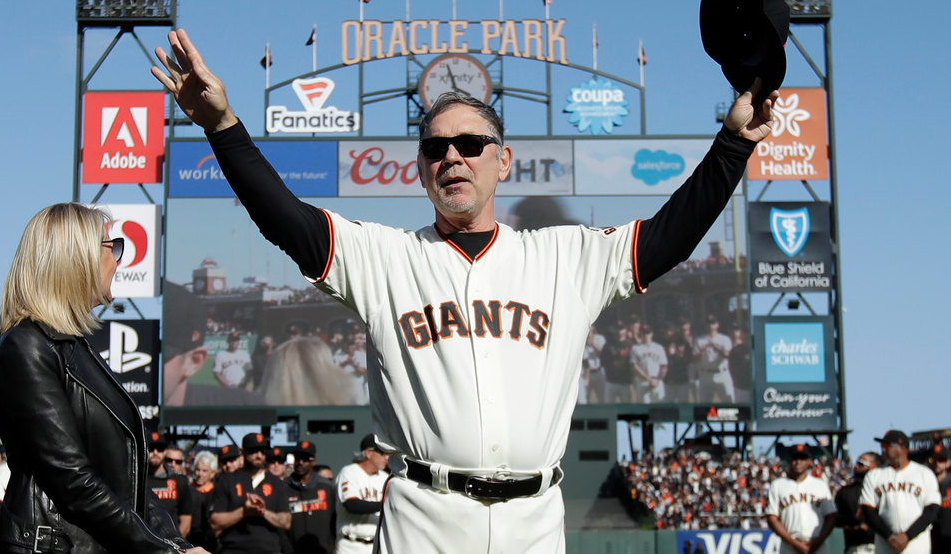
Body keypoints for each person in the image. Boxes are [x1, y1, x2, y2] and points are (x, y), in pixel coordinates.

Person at [153, 27, 779, 554]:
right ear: (422, 168)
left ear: (502, 160)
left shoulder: (564, 255)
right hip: (426, 516)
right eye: (435, 147)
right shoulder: (386, 258)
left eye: (471, 144)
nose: (453, 155)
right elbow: (285, 218)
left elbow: (670, 236)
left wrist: (732, 145)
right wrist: (224, 127)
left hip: (534, 522)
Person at [0, 203, 204, 554]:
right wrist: (165, 551)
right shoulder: (27, 347)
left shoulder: (74, 347)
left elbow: (127, 476)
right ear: (76, 259)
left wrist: (176, 543)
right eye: (112, 247)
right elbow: (73, 481)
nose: (119, 260)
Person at [861, 430, 940, 554]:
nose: (883, 450)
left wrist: (907, 535)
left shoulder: (924, 473)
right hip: (885, 545)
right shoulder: (874, 475)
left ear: (902, 448)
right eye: (882, 446)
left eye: (887, 446)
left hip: (917, 545)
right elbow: (868, 511)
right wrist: (889, 536)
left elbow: (932, 510)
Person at [211, 433, 291, 554]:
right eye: (254, 451)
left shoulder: (277, 483)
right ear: (243, 452)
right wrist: (244, 512)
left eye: (263, 451)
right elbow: (215, 522)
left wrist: (263, 511)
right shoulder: (227, 481)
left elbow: (286, 521)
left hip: (268, 550)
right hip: (234, 550)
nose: (259, 455)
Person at [766, 448, 837, 554]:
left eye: (803, 458)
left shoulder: (820, 485)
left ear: (809, 461)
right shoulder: (777, 485)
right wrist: (793, 542)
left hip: (817, 544)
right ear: (789, 460)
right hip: (789, 545)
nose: (798, 462)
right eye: (795, 458)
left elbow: (831, 516)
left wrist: (817, 541)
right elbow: (772, 518)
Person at [334, 435, 390, 554]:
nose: (386, 458)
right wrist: (385, 505)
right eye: (382, 453)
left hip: (376, 545)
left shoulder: (385, 477)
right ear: (369, 453)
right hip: (351, 545)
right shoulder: (349, 472)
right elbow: (351, 505)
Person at [285, 441, 336, 554]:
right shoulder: (284, 488)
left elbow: (335, 518)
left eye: (306, 459)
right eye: (298, 458)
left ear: (314, 461)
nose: (301, 462)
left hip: (323, 550)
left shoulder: (327, 486)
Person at [149, 435, 195, 538]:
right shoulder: (138, 480)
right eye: (151, 449)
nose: (155, 453)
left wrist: (176, 546)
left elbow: (186, 520)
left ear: (165, 452)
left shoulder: (180, 482)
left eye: (160, 449)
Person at [835, 452, 880, 554]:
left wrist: (871, 527)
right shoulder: (846, 491)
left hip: (881, 545)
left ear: (873, 466)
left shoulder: (883, 489)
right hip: (855, 546)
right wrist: (854, 520)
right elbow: (836, 519)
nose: (856, 466)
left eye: (861, 463)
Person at [693, 316, 735, 403]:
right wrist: (703, 350)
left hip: (722, 374)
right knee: (704, 406)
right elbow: (695, 360)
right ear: (705, 325)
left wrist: (716, 347)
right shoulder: (699, 340)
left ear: (717, 325)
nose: (710, 326)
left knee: (729, 403)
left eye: (713, 323)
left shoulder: (724, 339)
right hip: (705, 375)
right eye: (708, 323)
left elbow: (727, 355)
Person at [188, 451, 220, 553]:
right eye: (198, 470)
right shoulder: (186, 490)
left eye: (205, 471)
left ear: (213, 473)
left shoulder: (217, 493)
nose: (200, 474)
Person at [630, 325, 668, 403]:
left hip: (657, 381)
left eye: (648, 333)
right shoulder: (635, 348)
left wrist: (657, 379)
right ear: (641, 334)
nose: (646, 336)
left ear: (652, 334)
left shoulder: (659, 348)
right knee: (644, 408)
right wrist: (646, 377)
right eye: (644, 333)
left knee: (659, 407)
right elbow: (634, 366)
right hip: (642, 382)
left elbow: (664, 366)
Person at [929, 444, 951, 553]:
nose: (937, 463)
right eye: (933, 459)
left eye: (941, 460)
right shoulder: (924, 484)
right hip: (932, 541)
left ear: (948, 462)